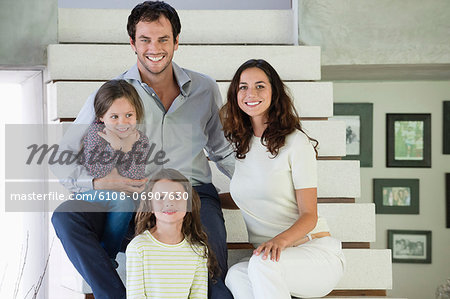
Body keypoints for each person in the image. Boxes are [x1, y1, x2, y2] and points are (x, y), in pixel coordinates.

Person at [51, 1, 234, 298]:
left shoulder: (205, 88)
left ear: (176, 41)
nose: (154, 48)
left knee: (213, 274)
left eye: (163, 39)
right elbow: (64, 154)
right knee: (66, 217)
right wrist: (98, 182)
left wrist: (257, 188)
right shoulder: (112, 93)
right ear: (132, 44)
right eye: (145, 39)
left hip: (194, 193)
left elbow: (223, 150)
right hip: (135, 198)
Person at [220, 59, 346, 298]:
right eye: (243, 87)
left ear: (274, 92)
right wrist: (203, 198)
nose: (251, 93)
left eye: (260, 86)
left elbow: (310, 216)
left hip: (314, 252)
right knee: (235, 274)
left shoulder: (295, 143)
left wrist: (279, 241)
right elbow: (251, 196)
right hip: (273, 260)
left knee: (262, 264)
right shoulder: (242, 145)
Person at [80, 79, 148, 268]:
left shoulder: (139, 139)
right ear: (102, 116)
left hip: (124, 194)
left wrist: (127, 149)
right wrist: (118, 147)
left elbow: (134, 175)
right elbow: (98, 172)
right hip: (94, 194)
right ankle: (106, 256)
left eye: (128, 115)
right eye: (114, 117)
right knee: (124, 202)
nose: (122, 123)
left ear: (137, 115)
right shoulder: (96, 134)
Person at [127, 168, 218, 298]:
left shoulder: (198, 249)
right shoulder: (138, 248)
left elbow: (199, 295)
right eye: (160, 197)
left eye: (176, 196)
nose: (169, 202)